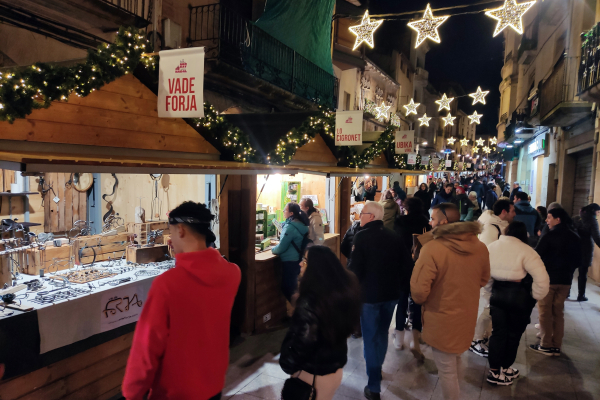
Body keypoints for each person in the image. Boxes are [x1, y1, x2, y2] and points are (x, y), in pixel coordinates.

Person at [122, 201, 241, 400]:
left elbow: (146, 348)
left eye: (171, 232)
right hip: (213, 386)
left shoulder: (167, 285)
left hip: (174, 393)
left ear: (181, 230)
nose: (170, 240)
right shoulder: (232, 274)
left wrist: (132, 392)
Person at [411, 204, 490, 400]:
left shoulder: (432, 249)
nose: (430, 222)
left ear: (444, 222)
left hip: (441, 318)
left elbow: (419, 293)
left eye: (433, 218)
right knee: (455, 361)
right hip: (466, 315)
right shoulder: (479, 247)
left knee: (446, 371)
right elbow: (483, 279)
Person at [348, 201, 413, 400]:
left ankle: (374, 385)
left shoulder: (361, 237)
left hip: (369, 297)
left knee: (370, 338)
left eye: (363, 213)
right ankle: (377, 370)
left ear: (372, 216)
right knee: (382, 334)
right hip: (391, 295)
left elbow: (354, 270)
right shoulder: (394, 236)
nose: (360, 216)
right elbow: (407, 266)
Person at [280, 246, 362, 400]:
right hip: (334, 371)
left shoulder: (310, 302)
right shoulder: (341, 293)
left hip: (312, 375)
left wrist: (286, 362)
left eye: (305, 261)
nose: (300, 264)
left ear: (316, 269)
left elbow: (302, 344)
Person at [486, 221, 550, 385]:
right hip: (519, 299)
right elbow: (542, 279)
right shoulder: (527, 251)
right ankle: (505, 367)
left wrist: (489, 291)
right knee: (513, 335)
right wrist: (534, 297)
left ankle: (495, 370)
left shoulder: (492, 247)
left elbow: (484, 274)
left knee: (498, 333)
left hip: (497, 296)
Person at [530, 208, 581, 356]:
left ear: (558, 219)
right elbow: (579, 260)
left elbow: (537, 255)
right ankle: (556, 346)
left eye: (550, 217)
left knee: (545, 312)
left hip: (549, 280)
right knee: (558, 313)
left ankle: (545, 345)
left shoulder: (549, 236)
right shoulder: (575, 236)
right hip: (565, 281)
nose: (547, 220)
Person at [469, 200, 516, 358]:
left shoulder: (494, 223)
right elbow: (488, 252)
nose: (514, 214)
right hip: (490, 272)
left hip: (494, 272)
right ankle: (475, 340)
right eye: (512, 211)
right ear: (504, 212)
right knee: (489, 306)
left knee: (491, 306)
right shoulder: (491, 227)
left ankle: (483, 336)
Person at [392, 197, 431, 357]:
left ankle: (399, 338)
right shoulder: (425, 222)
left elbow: (396, 244)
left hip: (402, 267)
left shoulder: (400, 222)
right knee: (417, 303)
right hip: (420, 267)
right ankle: (416, 337)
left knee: (401, 302)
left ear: (406, 208)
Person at [272, 203, 309, 302]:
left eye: (285, 210)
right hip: (297, 258)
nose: (284, 212)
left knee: (288, 288)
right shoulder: (300, 224)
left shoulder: (290, 227)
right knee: (293, 287)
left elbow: (281, 247)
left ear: (291, 213)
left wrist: (272, 249)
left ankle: (298, 311)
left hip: (289, 261)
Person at [572, 203, 600, 301]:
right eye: (598, 212)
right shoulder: (592, 221)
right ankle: (581, 295)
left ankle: (566, 293)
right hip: (586, 249)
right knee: (583, 273)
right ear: (593, 211)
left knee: (570, 271)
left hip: (574, 247)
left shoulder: (576, 218)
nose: (598, 214)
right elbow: (597, 237)